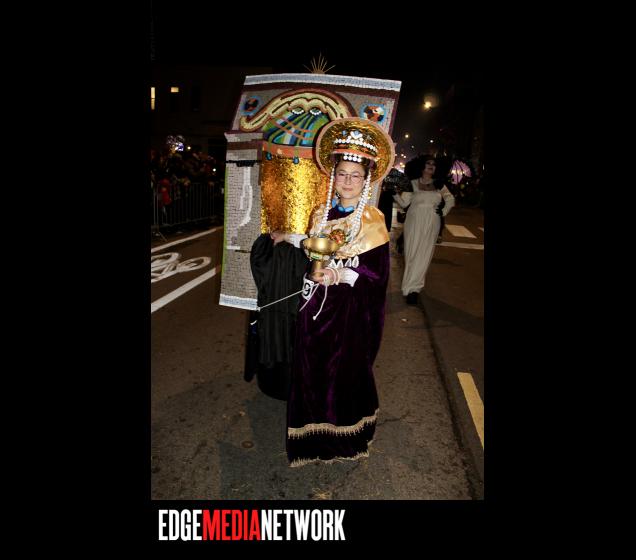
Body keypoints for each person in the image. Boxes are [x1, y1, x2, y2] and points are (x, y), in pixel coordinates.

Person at [270, 118, 395, 467]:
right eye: (342, 174)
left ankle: (343, 437)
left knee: (343, 372)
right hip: (314, 303)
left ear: (366, 180)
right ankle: (310, 439)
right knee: (311, 367)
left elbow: (377, 275)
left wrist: (340, 274)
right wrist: (288, 237)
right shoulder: (321, 213)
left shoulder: (372, 220)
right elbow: (314, 245)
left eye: (356, 175)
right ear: (333, 176)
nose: (348, 181)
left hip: (349, 312)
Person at [393, 155, 455, 305]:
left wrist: (443, 212)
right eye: (428, 163)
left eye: (434, 164)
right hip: (413, 221)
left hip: (432, 222)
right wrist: (394, 194)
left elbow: (451, 200)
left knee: (424, 256)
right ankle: (408, 287)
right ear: (421, 166)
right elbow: (404, 203)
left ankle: (414, 290)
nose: (431, 166)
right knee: (411, 254)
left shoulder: (439, 184)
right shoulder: (412, 183)